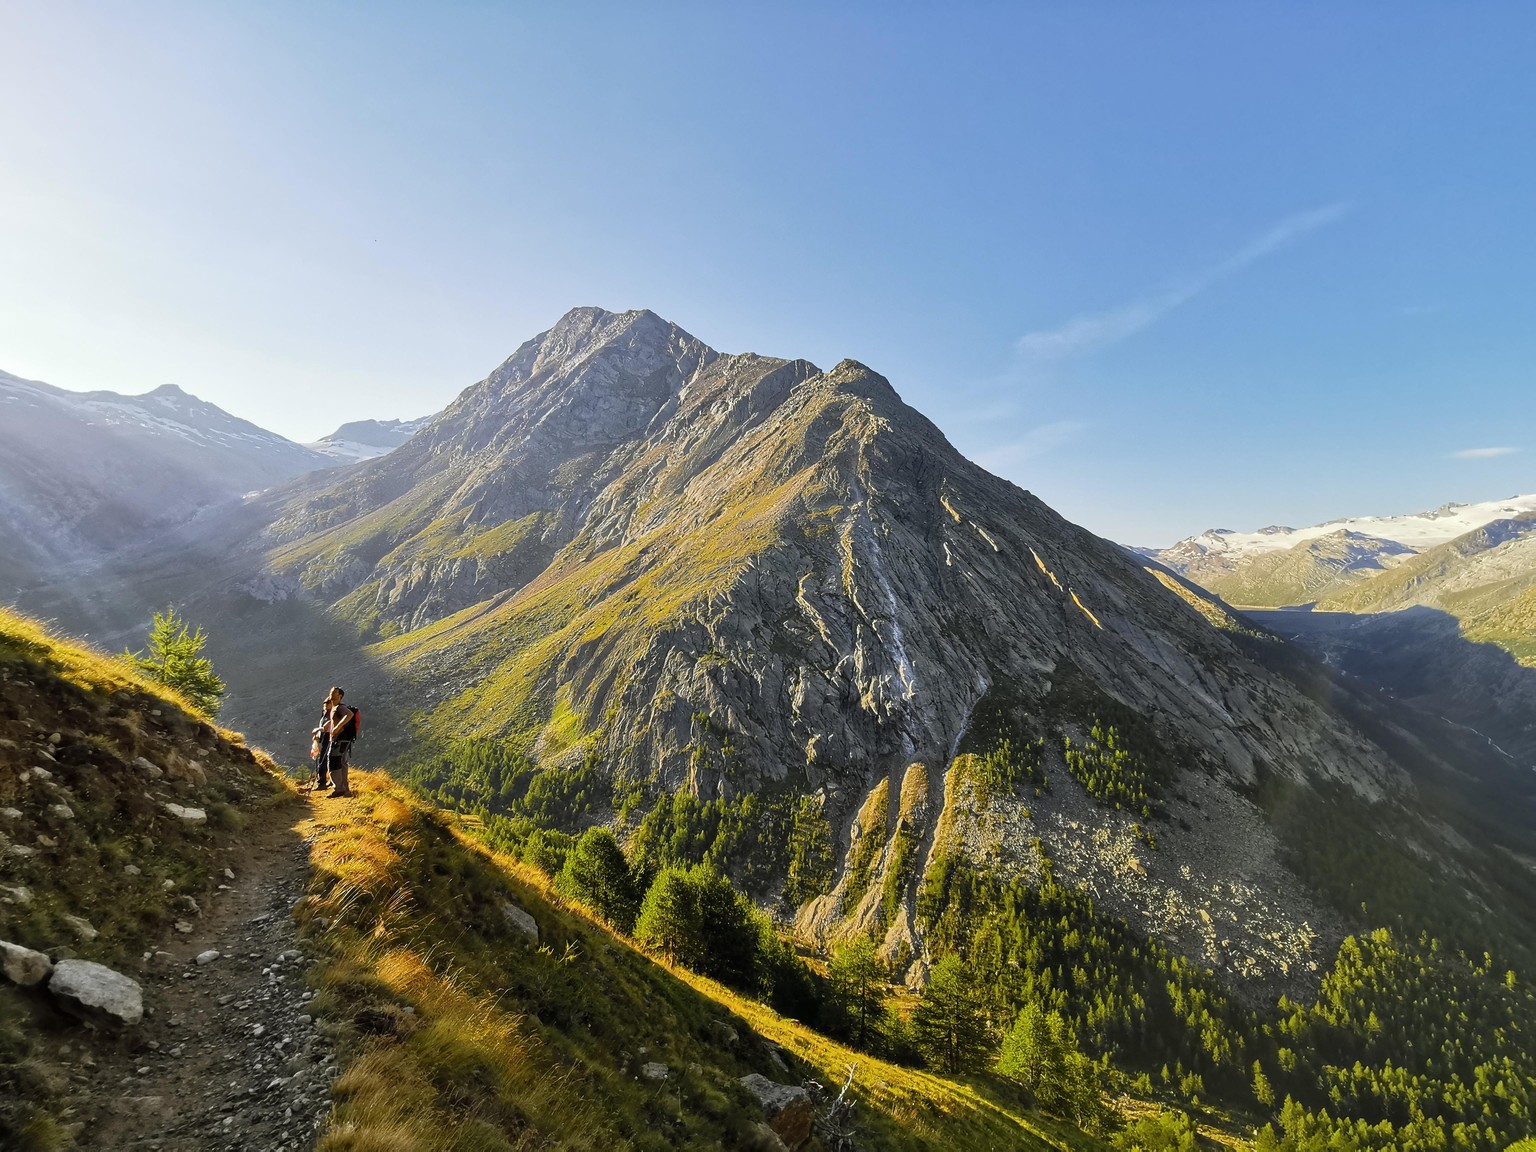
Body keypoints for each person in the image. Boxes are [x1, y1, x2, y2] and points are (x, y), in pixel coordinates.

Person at [319, 686, 358, 798]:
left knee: (333, 762)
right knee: (341, 763)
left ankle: (338, 789)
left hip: (339, 739)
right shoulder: (335, 708)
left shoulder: (340, 708)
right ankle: (345, 789)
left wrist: (337, 727)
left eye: (334, 692)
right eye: (331, 691)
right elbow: (333, 722)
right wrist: (327, 727)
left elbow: (349, 714)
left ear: (339, 696)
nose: (331, 694)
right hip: (343, 740)